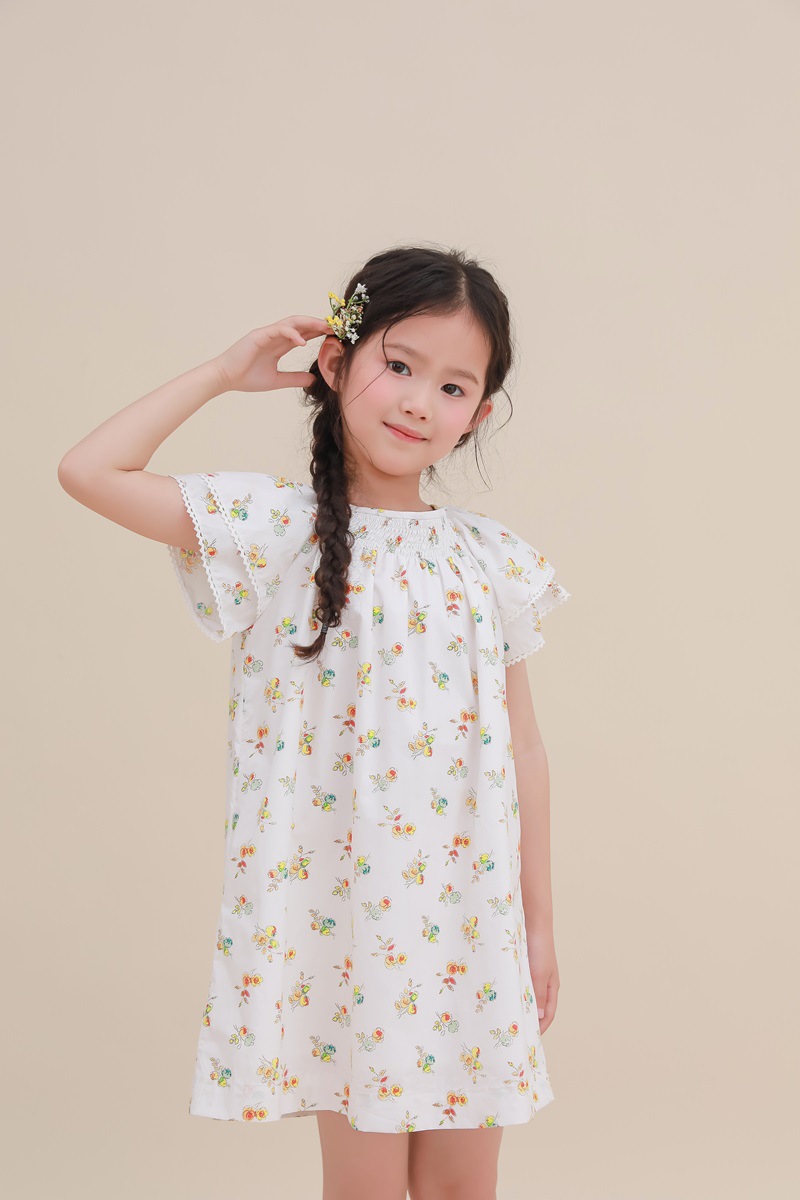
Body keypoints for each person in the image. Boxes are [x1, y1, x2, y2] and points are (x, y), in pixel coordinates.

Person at [58, 244, 571, 1200]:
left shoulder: (488, 560)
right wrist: (223, 372)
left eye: (453, 386)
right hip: (347, 927)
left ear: (480, 414)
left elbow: (526, 750)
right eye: (399, 364)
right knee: (363, 1184)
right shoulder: (272, 531)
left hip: (469, 917)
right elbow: (89, 470)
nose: (419, 402)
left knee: (465, 1184)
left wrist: (538, 925)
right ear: (336, 361)